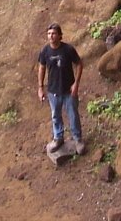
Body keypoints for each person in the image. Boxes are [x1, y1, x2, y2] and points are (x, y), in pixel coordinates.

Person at [37, 22, 85, 154]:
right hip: (53, 90)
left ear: (60, 36)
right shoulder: (45, 51)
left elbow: (79, 64)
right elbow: (41, 68)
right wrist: (40, 87)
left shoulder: (68, 49)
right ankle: (58, 138)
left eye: (53, 33)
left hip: (69, 90)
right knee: (55, 115)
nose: (51, 36)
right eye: (49, 33)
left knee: (73, 115)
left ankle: (77, 139)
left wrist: (76, 84)